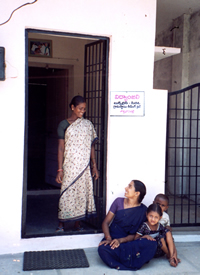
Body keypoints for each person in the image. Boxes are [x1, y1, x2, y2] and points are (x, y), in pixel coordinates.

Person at [55, 95, 99, 232]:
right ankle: (61, 225)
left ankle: (77, 225)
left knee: (81, 194)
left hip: (83, 167)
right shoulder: (64, 124)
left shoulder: (87, 125)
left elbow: (91, 146)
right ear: (72, 107)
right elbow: (61, 148)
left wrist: (94, 166)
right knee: (66, 194)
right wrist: (59, 169)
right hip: (69, 166)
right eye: (80, 108)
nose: (82, 111)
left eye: (84, 109)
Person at [98, 180, 157, 271]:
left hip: (129, 242)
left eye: (129, 186)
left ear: (137, 193)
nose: (126, 188)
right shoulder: (118, 202)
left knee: (152, 243)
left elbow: (136, 234)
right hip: (113, 239)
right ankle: (132, 259)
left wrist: (120, 240)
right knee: (103, 249)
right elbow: (105, 222)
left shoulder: (143, 211)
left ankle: (124, 258)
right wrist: (108, 238)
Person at [153, 193, 181, 264]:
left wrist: (169, 228)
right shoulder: (151, 213)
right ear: (153, 203)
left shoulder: (166, 216)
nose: (160, 206)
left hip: (163, 234)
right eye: (158, 204)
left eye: (163, 205)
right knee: (162, 239)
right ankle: (170, 255)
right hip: (154, 235)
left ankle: (174, 256)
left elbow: (167, 227)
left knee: (170, 237)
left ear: (166, 208)